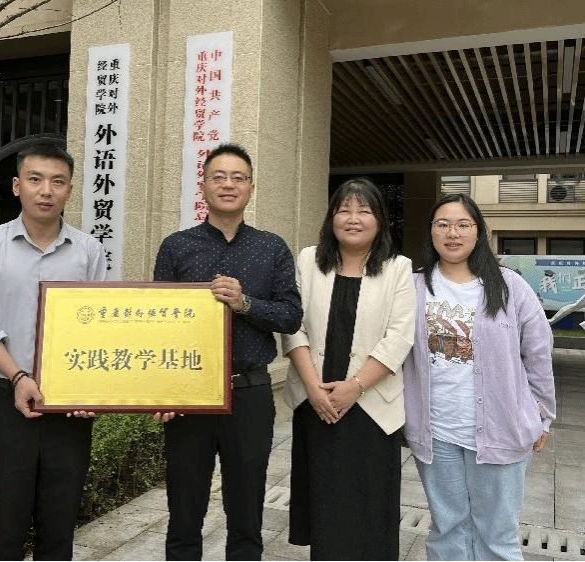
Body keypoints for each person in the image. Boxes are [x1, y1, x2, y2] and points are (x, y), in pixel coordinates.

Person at [153, 143, 302, 560]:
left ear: (251, 187)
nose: (229, 185)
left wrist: (245, 303)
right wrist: (162, 391)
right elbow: (159, 325)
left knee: (246, 510)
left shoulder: (272, 247)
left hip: (250, 392)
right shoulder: (176, 247)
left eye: (239, 178)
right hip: (190, 394)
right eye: (219, 177)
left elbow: (291, 316)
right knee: (184, 508)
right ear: (203, 186)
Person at [0, 143, 107, 560]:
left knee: (59, 532)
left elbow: (98, 327)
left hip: (68, 409)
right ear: (16, 185)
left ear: (70, 190)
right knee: (3, 531)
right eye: (35, 179)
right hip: (7, 402)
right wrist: (19, 376)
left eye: (58, 182)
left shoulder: (88, 251)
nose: (46, 190)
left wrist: (91, 391)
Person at [403, 193, 556, 561]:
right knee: (447, 529)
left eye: (463, 224)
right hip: (437, 431)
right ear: (431, 232)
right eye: (442, 224)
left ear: (478, 232)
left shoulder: (508, 285)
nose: (452, 233)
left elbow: (538, 351)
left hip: (501, 427)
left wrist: (542, 413)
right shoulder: (413, 286)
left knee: (497, 536)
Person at [281, 177, 415, 560]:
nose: (353, 218)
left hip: (371, 407)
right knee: (325, 504)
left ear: (380, 220)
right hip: (317, 404)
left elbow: (399, 337)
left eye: (364, 211)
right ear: (331, 217)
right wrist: (313, 388)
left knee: (369, 507)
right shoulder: (308, 261)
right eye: (344, 210)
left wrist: (354, 386)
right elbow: (293, 326)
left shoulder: (398, 268)